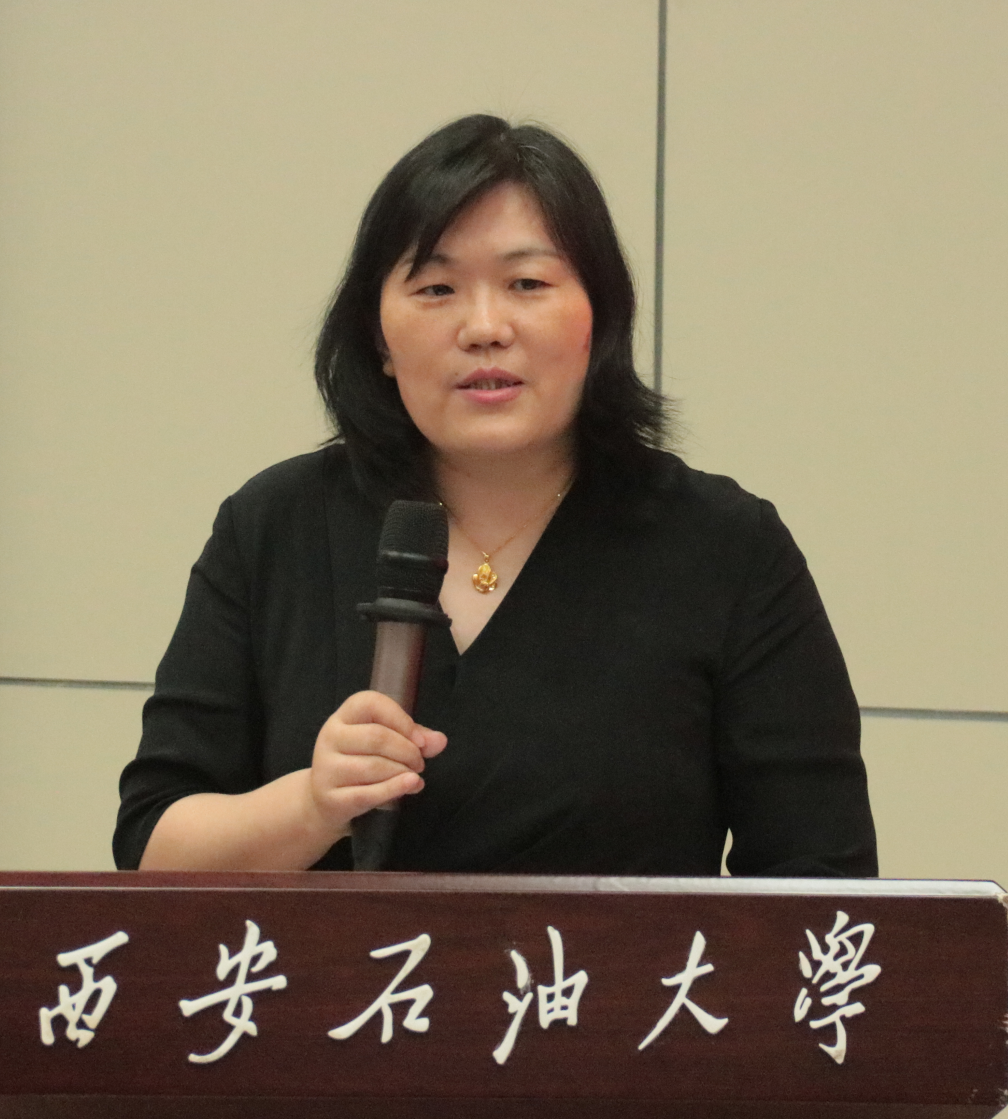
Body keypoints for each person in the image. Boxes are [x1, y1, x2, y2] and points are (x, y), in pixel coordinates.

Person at [114, 114, 876, 877]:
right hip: (339, 966)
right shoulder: (274, 526)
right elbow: (151, 849)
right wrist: (312, 805)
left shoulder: (725, 548)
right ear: (379, 338)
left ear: (600, 317)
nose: (484, 327)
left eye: (527, 284)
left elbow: (825, 883)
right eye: (436, 288)